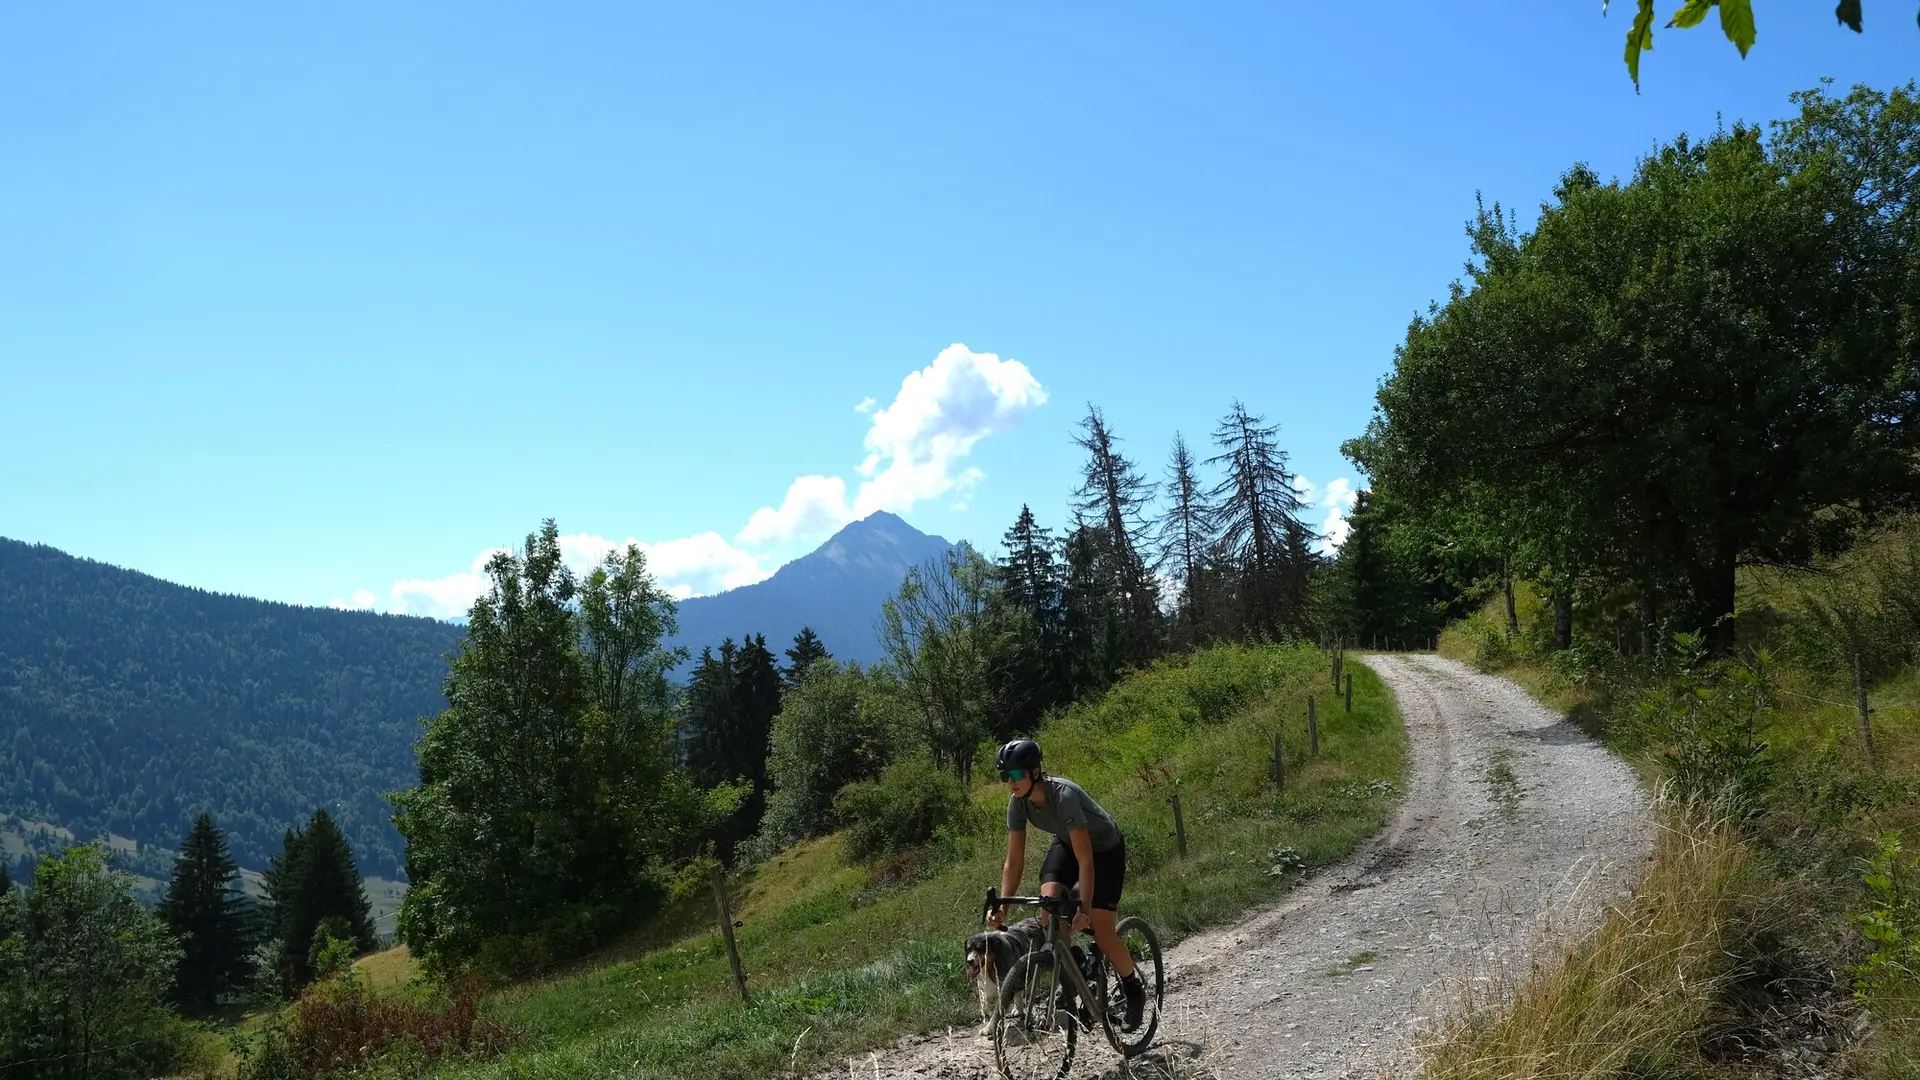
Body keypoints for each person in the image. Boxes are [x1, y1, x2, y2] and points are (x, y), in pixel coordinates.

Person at [989, 737, 1147, 1031]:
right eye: (1004, 776)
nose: (1010, 782)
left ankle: (1133, 989)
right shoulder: (1018, 803)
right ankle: (1077, 971)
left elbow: (1086, 859)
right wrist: (1003, 906)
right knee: (1048, 909)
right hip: (1066, 844)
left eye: (1015, 774)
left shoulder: (1064, 796)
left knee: (1100, 928)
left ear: (1035, 771)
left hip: (1103, 849)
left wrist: (1085, 909)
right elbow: (1014, 861)